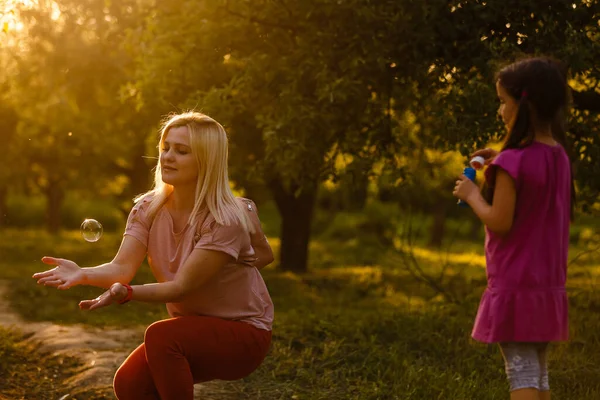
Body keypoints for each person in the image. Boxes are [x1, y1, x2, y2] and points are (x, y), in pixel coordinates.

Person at [32, 111, 275, 400]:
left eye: (181, 151)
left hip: (243, 333)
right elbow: (121, 267)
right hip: (190, 329)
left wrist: (128, 293)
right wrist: (82, 273)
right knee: (129, 384)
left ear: (206, 161)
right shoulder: (148, 208)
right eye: (165, 148)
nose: (168, 157)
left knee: (162, 336)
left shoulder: (225, 219)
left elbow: (181, 287)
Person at [453, 57, 575, 400]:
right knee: (538, 373)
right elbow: (533, 188)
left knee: (520, 373)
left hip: (515, 285)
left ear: (524, 104)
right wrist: (501, 162)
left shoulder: (513, 162)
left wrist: (473, 194)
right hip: (548, 286)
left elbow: (500, 221)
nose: (500, 111)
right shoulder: (559, 156)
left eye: (503, 102)